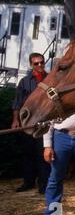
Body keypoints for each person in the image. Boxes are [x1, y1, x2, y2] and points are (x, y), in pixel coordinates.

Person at [11, 53, 50, 194]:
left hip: (44, 124)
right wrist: (15, 120)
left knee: (43, 153)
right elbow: (17, 102)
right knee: (28, 153)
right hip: (27, 124)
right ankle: (28, 182)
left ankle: (43, 185)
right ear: (31, 65)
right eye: (36, 63)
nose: (40, 65)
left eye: (42, 63)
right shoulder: (24, 82)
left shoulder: (51, 79)